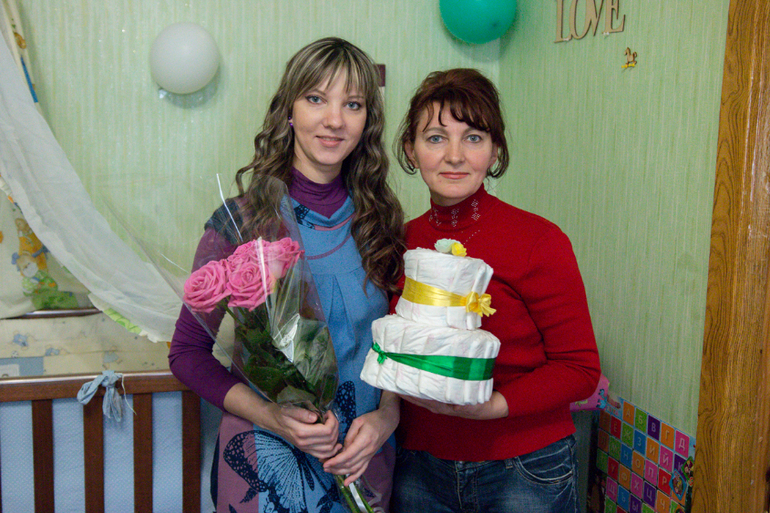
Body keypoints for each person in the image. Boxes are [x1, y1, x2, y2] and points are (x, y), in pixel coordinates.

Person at [169, 37, 405, 513]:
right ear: (289, 111)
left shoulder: (381, 222)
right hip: (266, 465)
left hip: (363, 463)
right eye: (316, 98)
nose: (334, 120)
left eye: (352, 104)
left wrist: (387, 417)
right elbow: (187, 354)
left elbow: (397, 351)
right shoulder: (241, 223)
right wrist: (272, 416)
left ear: (367, 121)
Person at [390, 68, 601, 513]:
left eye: (473, 138)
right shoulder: (398, 242)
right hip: (419, 465)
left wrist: (491, 407)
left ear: (495, 150)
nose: (454, 156)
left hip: (525, 466)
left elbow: (579, 368)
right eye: (435, 138)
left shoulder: (539, 240)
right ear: (411, 149)